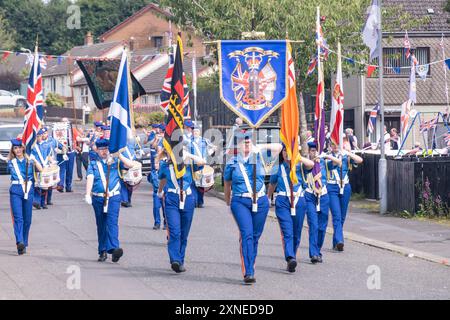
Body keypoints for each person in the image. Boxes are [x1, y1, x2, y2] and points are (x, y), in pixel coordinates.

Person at [223, 131, 282, 284]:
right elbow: (227, 184)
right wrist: (228, 201)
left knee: (255, 236)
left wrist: (260, 147)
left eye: (248, 140)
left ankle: (250, 263)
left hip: (260, 201)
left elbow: (279, 147)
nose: (246, 142)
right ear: (238, 144)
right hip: (240, 201)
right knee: (247, 234)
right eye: (243, 140)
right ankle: (248, 271)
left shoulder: (260, 156)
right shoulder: (232, 162)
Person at [157, 140, 206, 273]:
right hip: (172, 199)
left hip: (188, 198)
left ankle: (180, 260)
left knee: (184, 233)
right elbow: (162, 179)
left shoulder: (189, 164)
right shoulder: (165, 165)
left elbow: (202, 162)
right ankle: (175, 260)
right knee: (174, 232)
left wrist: (188, 155)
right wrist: (160, 191)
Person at [84, 139, 134, 263]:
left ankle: (114, 249)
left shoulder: (116, 162)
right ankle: (102, 250)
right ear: (97, 150)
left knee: (112, 222)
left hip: (113, 197)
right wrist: (87, 194)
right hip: (98, 197)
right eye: (101, 149)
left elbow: (130, 165)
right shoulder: (94, 164)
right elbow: (90, 177)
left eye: (106, 149)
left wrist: (119, 155)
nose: (104, 151)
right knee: (101, 224)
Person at [267, 145, 314, 273]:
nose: (286, 153)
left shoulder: (299, 166)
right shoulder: (278, 167)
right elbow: (272, 184)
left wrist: (298, 157)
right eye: (284, 151)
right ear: (282, 153)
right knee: (287, 231)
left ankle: (292, 256)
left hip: (299, 200)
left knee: (297, 232)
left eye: (289, 151)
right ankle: (290, 257)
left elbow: (311, 164)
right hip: (283, 201)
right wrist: (267, 198)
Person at [302, 141, 338, 264]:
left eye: (316, 150)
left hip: (323, 196)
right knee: (313, 225)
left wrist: (326, 156)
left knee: (322, 227)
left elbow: (337, 162)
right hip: (310, 196)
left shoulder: (324, 163)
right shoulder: (307, 164)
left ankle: (318, 250)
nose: (314, 153)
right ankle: (313, 254)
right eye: (312, 151)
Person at [326, 142, 363, 252]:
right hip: (332, 187)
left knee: (342, 217)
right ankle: (339, 241)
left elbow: (359, 160)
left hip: (345, 187)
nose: (336, 146)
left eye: (338, 144)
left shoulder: (346, 156)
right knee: (336, 215)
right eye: (333, 144)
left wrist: (347, 153)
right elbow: (331, 165)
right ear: (330, 145)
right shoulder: (327, 156)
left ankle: (336, 241)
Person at [8, 138, 43, 255]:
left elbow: (41, 169)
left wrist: (34, 160)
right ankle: (19, 242)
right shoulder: (11, 162)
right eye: (15, 148)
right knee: (18, 218)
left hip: (29, 190)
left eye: (19, 147)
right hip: (16, 190)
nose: (17, 150)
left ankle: (24, 243)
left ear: (23, 147)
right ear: (13, 150)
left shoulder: (30, 161)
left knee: (27, 219)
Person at [31, 129, 57, 210]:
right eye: (36, 136)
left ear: (42, 136)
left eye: (38, 136)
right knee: (36, 185)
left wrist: (52, 162)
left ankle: (43, 202)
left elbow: (49, 156)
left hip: (44, 167)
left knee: (45, 185)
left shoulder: (47, 145)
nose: (37, 138)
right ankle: (37, 202)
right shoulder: (33, 146)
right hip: (35, 167)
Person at [56, 119, 76, 193]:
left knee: (69, 170)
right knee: (61, 169)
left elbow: (77, 138)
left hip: (70, 152)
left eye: (66, 122)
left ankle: (68, 186)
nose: (65, 123)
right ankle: (60, 185)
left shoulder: (72, 130)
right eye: (63, 122)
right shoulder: (57, 130)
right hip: (61, 153)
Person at [119, 137, 137, 208]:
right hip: (123, 167)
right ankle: (125, 200)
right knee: (123, 183)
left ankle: (128, 199)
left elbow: (135, 153)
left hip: (132, 167)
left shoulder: (131, 144)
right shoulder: (119, 145)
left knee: (130, 184)